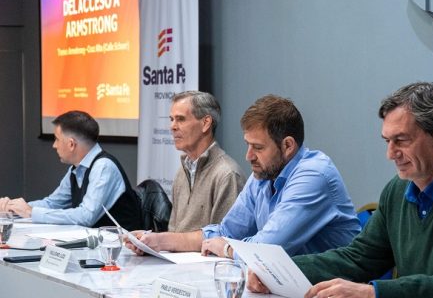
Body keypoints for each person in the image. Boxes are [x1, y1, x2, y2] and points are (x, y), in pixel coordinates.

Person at [247, 82, 433, 298]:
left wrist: (374, 295)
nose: (391, 154)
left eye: (401, 140)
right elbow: (359, 258)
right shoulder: (398, 190)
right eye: (387, 141)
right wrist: (278, 271)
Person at [126, 95, 360, 258]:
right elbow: (224, 232)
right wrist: (157, 241)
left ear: (288, 146)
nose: (248, 156)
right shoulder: (263, 176)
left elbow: (266, 249)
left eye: (258, 148)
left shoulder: (313, 175)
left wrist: (227, 248)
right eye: (248, 145)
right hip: (291, 290)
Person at [0, 111, 142, 231]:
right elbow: (53, 203)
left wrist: (31, 212)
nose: (54, 146)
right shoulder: (77, 168)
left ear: (71, 144)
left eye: (56, 139)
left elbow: (86, 216)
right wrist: (14, 207)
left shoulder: (103, 167)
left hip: (120, 251)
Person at [167, 91, 246, 232]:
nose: (172, 126)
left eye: (180, 119)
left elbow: (224, 239)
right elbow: (172, 232)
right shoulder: (182, 172)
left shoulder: (227, 175)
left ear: (205, 123)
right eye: (171, 119)